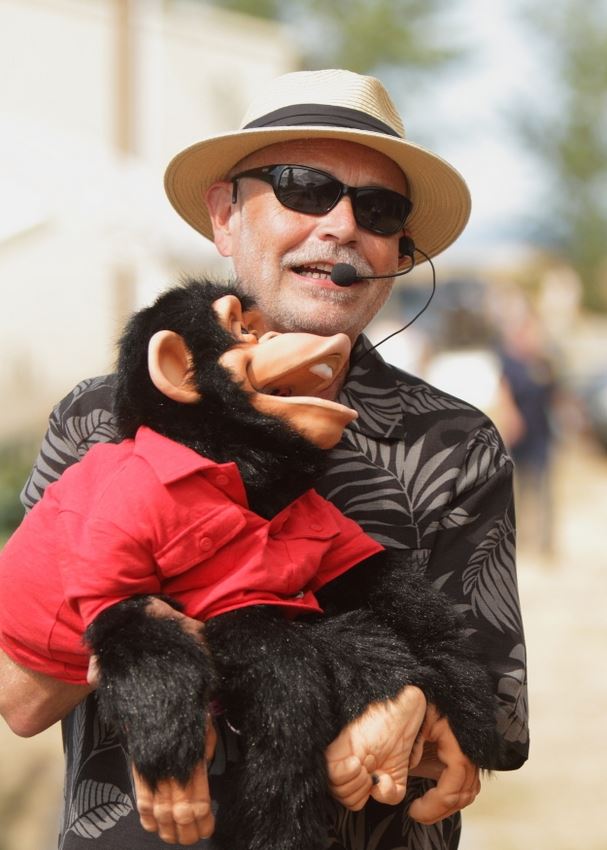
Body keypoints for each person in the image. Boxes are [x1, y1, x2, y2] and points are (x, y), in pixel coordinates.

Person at [0, 69, 528, 850]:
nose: (342, 225)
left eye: (378, 210)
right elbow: (19, 690)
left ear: (397, 250)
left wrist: (420, 707)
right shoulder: (95, 417)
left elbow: (500, 717)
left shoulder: (454, 444)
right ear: (224, 216)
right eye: (302, 188)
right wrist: (354, 671)